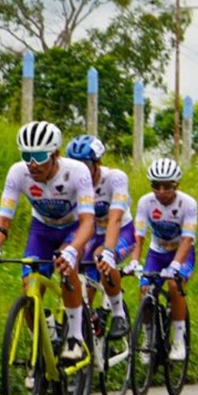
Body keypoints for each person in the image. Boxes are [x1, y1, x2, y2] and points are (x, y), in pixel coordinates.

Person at [0, 121, 95, 362]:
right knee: (28, 285)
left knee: (67, 265)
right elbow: (3, 219)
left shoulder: (77, 172)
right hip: (41, 231)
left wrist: (74, 250)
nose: (32, 164)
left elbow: (88, 222)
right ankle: (47, 336)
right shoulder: (18, 172)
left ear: (55, 154)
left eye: (39, 156)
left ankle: (75, 336)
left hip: (72, 229)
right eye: (27, 155)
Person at [126, 158, 197, 360]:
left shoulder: (188, 203)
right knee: (144, 290)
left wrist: (175, 265)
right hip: (157, 252)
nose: (162, 191)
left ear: (177, 185)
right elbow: (138, 236)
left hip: (182, 251)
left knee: (175, 285)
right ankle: (148, 339)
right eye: (156, 186)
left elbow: (187, 238)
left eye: (167, 186)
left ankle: (178, 340)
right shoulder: (145, 202)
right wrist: (134, 261)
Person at [65, 134, 133, 339]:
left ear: (98, 163)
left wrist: (109, 252)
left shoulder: (115, 178)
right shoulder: (70, 181)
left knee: (101, 257)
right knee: (83, 284)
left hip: (121, 231)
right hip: (93, 234)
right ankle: (89, 324)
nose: (80, 171)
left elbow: (115, 219)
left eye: (85, 165)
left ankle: (119, 314)